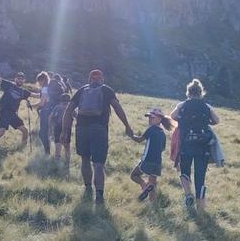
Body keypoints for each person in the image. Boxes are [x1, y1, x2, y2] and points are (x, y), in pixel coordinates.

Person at [61, 69, 134, 205]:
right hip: (99, 130)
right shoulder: (106, 90)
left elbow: (68, 110)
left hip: (81, 130)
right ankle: (99, 196)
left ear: (89, 79)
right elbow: (117, 108)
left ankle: (88, 188)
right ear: (102, 79)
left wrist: (65, 131)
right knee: (98, 164)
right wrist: (127, 126)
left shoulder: (82, 90)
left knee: (84, 159)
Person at [170, 79, 220, 211]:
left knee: (184, 171)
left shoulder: (182, 105)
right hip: (202, 147)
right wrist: (206, 121)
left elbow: (172, 116)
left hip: (186, 144)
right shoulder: (207, 106)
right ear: (201, 93)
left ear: (188, 92)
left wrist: (183, 119)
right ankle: (201, 209)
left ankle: (188, 195)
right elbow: (216, 120)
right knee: (200, 178)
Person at [0, 57, 38, 148]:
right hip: (4, 111)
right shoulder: (9, 85)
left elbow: (35, 95)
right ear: (15, 79)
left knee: (25, 131)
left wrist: (47, 93)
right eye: (18, 78)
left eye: (22, 79)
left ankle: (22, 148)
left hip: (13, 114)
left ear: (24, 80)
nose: (20, 80)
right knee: (1, 132)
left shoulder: (23, 92)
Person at [129, 108, 172, 202]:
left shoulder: (151, 129)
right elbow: (163, 149)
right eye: (149, 117)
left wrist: (131, 135)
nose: (149, 119)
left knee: (134, 175)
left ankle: (144, 186)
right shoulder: (162, 133)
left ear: (159, 119)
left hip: (147, 160)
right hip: (158, 163)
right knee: (153, 184)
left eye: (152, 118)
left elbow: (139, 140)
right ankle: (153, 203)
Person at [49, 79, 73, 165]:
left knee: (58, 145)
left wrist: (50, 128)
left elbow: (51, 117)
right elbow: (77, 117)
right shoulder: (71, 108)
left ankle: (57, 162)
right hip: (66, 128)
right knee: (67, 146)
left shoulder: (57, 107)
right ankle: (67, 162)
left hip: (58, 127)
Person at [35, 72, 52, 155]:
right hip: (51, 111)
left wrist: (31, 105)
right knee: (46, 132)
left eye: (39, 80)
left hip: (46, 112)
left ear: (42, 80)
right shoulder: (49, 88)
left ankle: (47, 152)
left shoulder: (45, 89)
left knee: (42, 133)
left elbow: (42, 103)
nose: (39, 83)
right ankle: (48, 151)